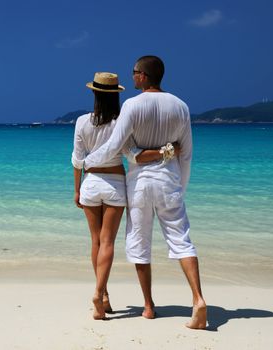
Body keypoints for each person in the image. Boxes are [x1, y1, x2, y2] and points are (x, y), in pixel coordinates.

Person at [83, 56, 207, 329]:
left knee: (140, 244)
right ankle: (198, 299)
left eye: (134, 72)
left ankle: (149, 307)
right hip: (169, 180)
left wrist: (87, 163)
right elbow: (185, 154)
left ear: (143, 76)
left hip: (139, 184)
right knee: (182, 240)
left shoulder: (132, 105)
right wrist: (181, 186)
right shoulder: (181, 106)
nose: (133, 76)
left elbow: (116, 145)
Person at [72, 72, 171, 320]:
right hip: (115, 184)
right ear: (116, 96)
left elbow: (77, 160)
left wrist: (76, 189)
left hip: (91, 183)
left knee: (95, 242)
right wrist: (165, 151)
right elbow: (133, 154)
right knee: (107, 243)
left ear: (94, 93)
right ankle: (98, 293)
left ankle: (103, 295)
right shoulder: (121, 123)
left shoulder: (82, 121)